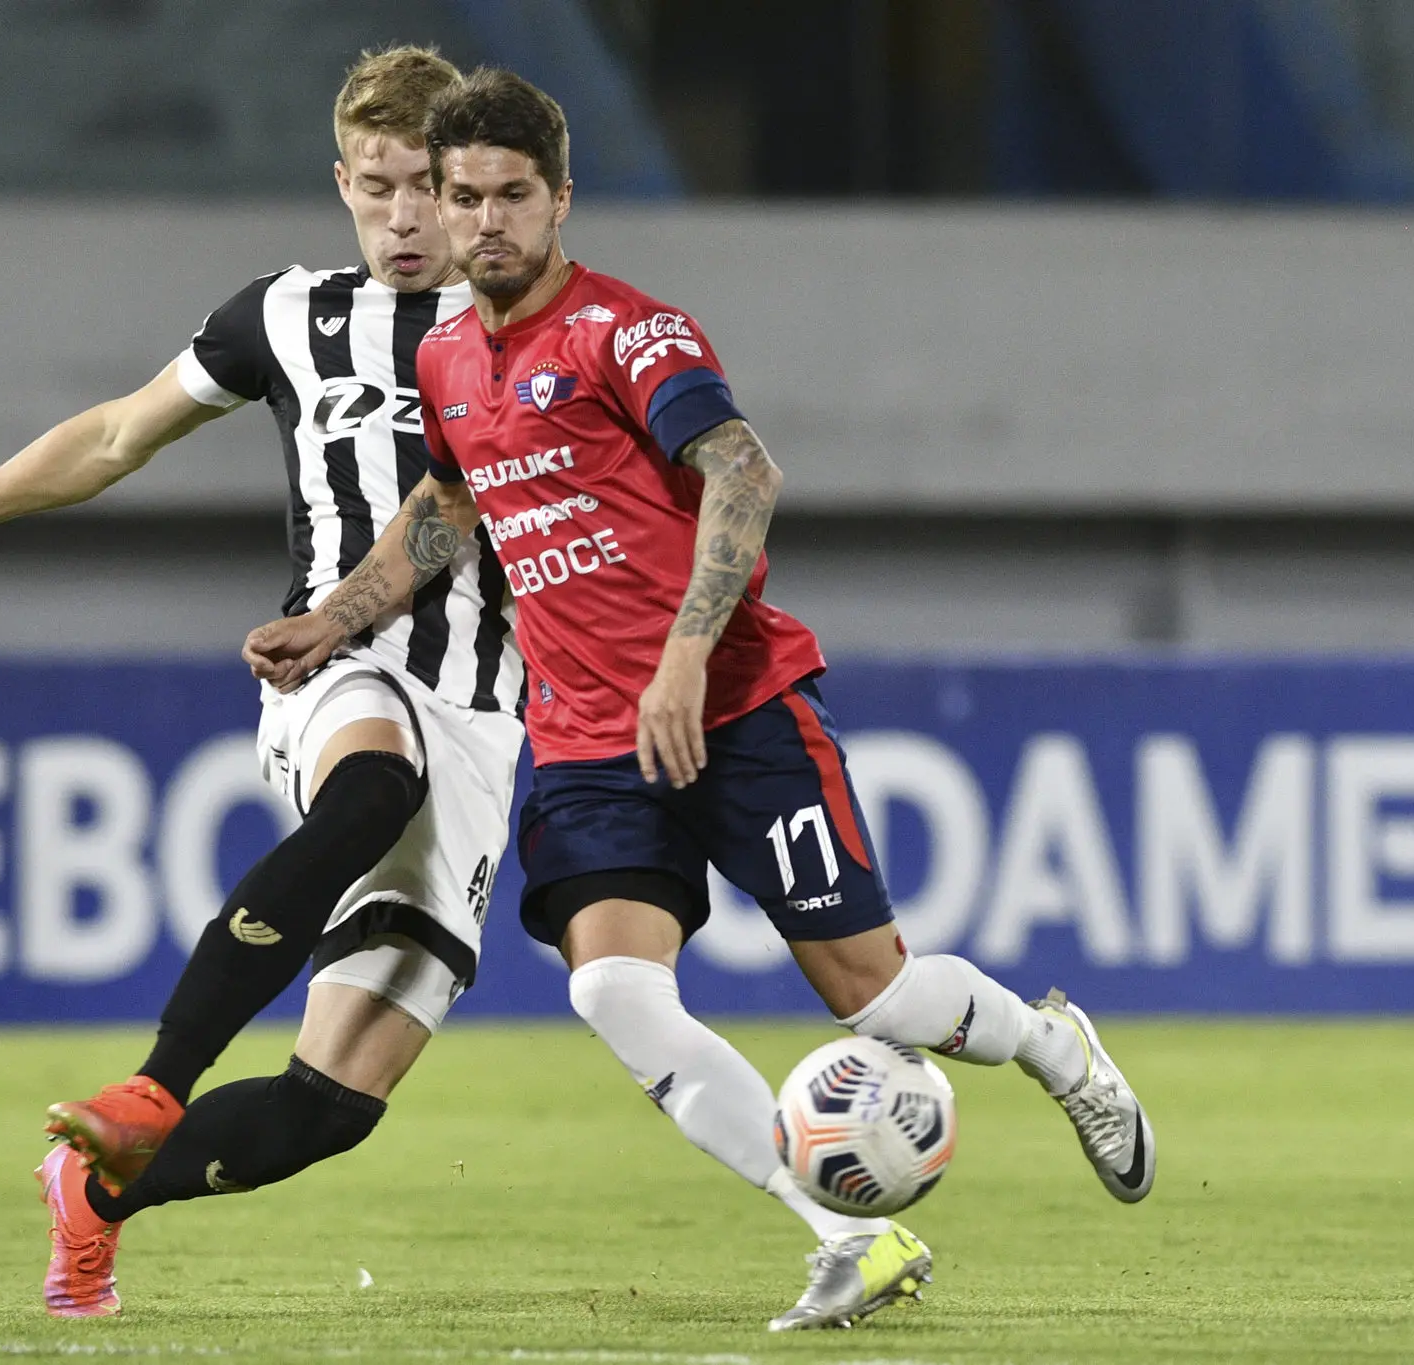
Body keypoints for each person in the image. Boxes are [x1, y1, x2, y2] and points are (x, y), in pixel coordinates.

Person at [245, 66, 1156, 1333]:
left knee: (873, 996)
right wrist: (336, 617)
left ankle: (1057, 1050)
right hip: (582, 737)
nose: (485, 222)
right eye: (464, 198)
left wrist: (682, 654)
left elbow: (743, 471)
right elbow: (446, 511)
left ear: (560, 200)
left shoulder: (630, 333)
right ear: (441, 209)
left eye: (514, 195)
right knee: (612, 990)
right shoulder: (448, 360)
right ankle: (844, 1234)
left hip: (731, 705)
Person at [0, 46, 527, 1318]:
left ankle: (100, 1195)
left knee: (330, 1109)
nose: (403, 217)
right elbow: (111, 434)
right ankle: (155, 1084)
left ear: (474, 188)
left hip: (483, 714)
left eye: (427, 187)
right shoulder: (282, 315)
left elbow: (466, 510)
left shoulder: (524, 332)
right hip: (335, 662)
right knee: (371, 784)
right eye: (375, 186)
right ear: (341, 181)